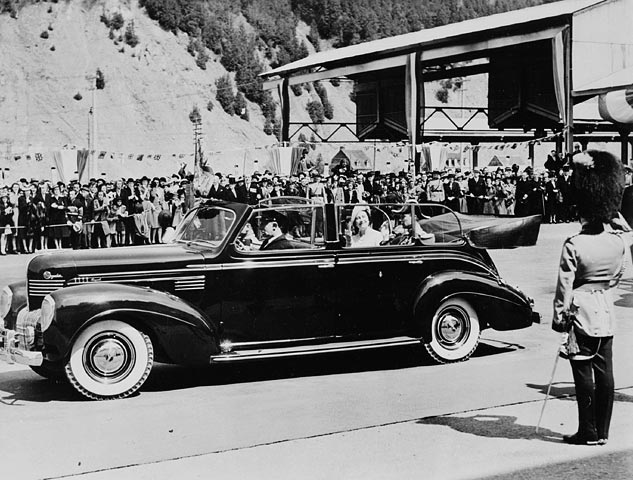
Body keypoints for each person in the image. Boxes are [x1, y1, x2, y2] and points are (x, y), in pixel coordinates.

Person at [551, 150, 632, 446]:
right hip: (605, 308)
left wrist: (560, 318)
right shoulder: (618, 241)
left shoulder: (575, 244)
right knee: (605, 370)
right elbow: (619, 274)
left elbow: (564, 286)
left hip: (580, 311)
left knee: (582, 369)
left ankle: (587, 430)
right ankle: (604, 432)